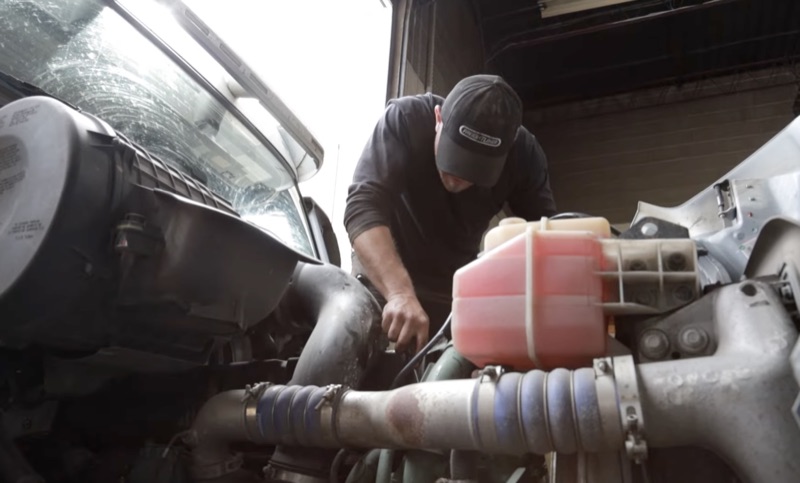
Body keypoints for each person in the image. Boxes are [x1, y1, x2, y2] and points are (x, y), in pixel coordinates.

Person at [344, 74, 557, 354]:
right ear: (438, 118)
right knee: (351, 347)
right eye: (453, 157)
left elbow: (547, 237)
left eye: (475, 169)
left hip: (456, 292)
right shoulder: (406, 119)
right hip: (383, 279)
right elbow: (362, 206)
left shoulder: (524, 155)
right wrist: (398, 293)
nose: (458, 177)